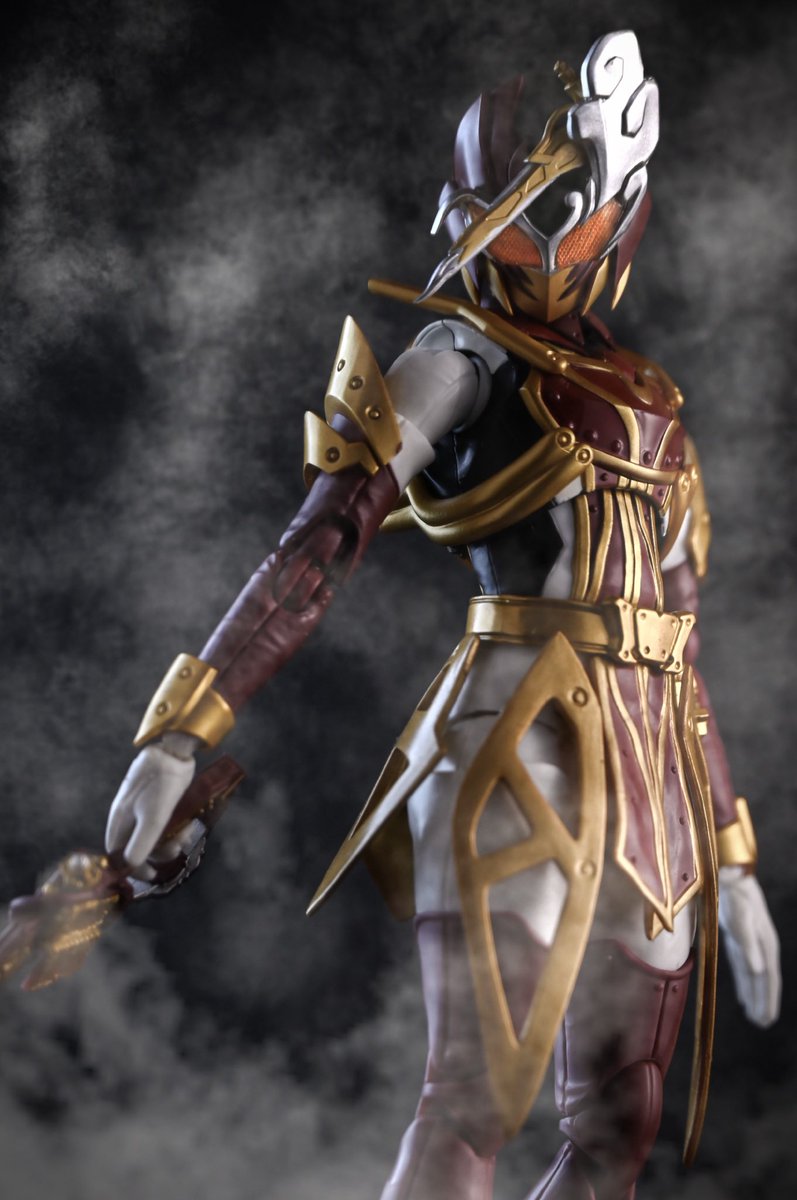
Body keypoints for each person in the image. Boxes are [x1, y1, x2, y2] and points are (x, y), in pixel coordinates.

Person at [104, 30, 781, 1200]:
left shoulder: (657, 411)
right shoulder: (459, 356)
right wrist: (181, 730)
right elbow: (323, 542)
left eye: (540, 209)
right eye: (492, 215)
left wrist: (731, 855)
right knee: (471, 1102)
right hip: (520, 734)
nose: (515, 245)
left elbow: (677, 646)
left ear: (611, 198)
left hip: (652, 776)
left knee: (616, 1126)